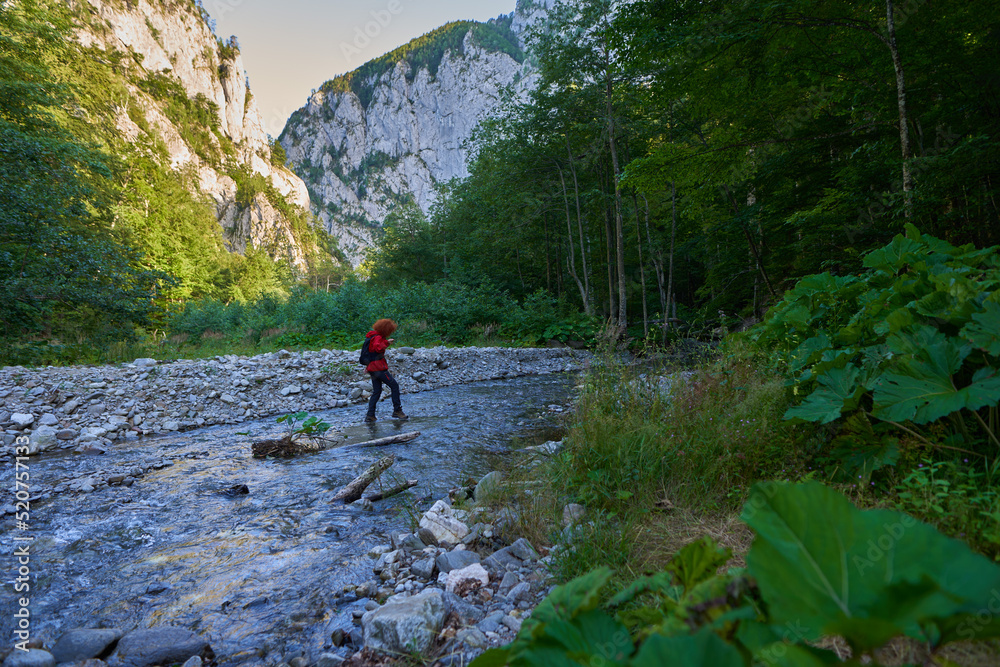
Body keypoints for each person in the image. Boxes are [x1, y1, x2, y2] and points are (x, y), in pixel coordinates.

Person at [363, 318, 408, 423]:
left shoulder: (371, 336)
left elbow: (371, 352)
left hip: (372, 367)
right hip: (378, 368)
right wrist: (387, 342)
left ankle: (370, 415)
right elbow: (378, 348)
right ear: (386, 329)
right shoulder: (378, 337)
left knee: (377, 391)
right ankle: (397, 410)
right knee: (394, 386)